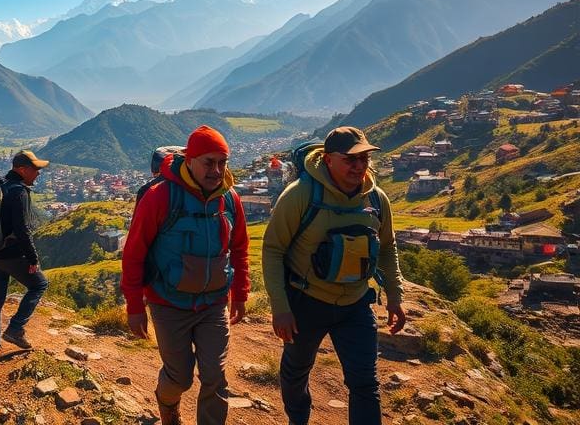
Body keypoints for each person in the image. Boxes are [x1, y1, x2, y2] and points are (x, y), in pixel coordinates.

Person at [262, 126, 406, 425]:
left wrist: (395, 295)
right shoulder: (301, 195)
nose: (359, 166)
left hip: (356, 304)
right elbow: (273, 250)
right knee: (296, 372)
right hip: (306, 302)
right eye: (350, 159)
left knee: (365, 383)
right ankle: (298, 418)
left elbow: (387, 246)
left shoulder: (376, 199)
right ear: (328, 160)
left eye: (364, 158)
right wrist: (280, 307)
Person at [121, 125, 250, 425]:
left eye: (222, 162)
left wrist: (240, 293)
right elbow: (134, 253)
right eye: (209, 162)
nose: (216, 170)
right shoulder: (160, 197)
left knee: (215, 375)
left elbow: (240, 247)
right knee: (179, 377)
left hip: (213, 304)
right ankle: (167, 404)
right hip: (168, 304)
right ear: (190, 160)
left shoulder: (229, 199)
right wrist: (135, 306)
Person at [0, 150, 50, 365]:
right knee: (39, 284)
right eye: (35, 169)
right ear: (21, 170)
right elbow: (23, 230)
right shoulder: (18, 192)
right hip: (11, 254)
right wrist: (33, 258)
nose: (38, 173)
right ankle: (16, 328)